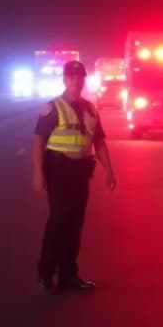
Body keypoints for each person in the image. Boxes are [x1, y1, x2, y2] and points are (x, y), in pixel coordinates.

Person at [32, 60, 117, 294]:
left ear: (84, 79)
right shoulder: (53, 108)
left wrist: (109, 171)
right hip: (59, 170)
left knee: (75, 224)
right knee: (59, 221)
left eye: (79, 77)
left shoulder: (91, 109)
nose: (75, 81)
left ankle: (69, 275)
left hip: (80, 172)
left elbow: (98, 142)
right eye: (70, 76)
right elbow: (39, 141)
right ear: (64, 80)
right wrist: (38, 173)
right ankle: (45, 275)